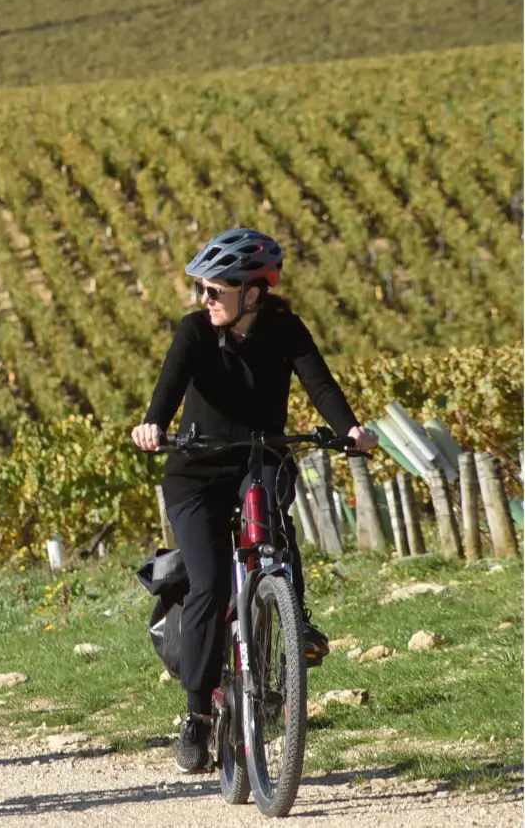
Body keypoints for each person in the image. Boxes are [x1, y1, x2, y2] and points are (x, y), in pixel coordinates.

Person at [130, 227, 377, 775]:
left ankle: (292, 617)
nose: (205, 299)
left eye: (216, 290)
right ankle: (195, 714)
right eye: (203, 289)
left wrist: (351, 429)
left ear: (253, 294)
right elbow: (167, 389)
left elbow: (321, 385)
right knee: (211, 582)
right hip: (195, 474)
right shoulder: (195, 332)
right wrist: (152, 425)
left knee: (275, 529)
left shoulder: (286, 331)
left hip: (260, 458)